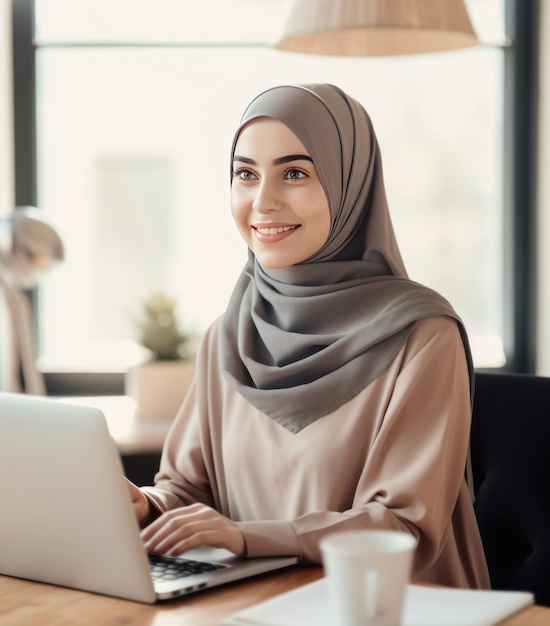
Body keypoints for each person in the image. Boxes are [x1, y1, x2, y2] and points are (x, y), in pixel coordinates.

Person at [126, 83, 490, 589]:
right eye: (245, 175)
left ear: (349, 186)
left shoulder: (423, 334)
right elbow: (189, 489)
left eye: (294, 173)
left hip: (387, 607)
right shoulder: (228, 335)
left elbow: (403, 524)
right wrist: (151, 503)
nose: (263, 202)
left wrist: (249, 537)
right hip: (248, 601)